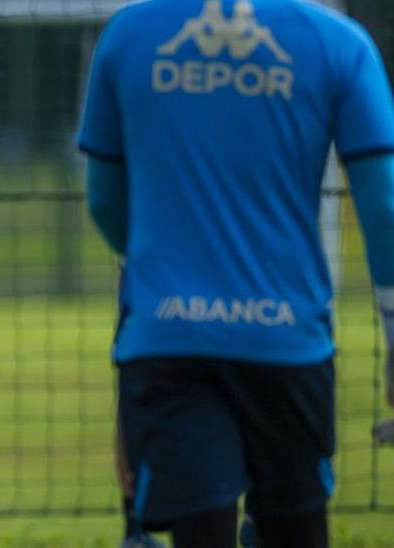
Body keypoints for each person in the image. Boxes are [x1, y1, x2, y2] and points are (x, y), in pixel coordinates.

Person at [79, 1, 394, 547]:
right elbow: (385, 206)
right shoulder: (338, 42)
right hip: (286, 340)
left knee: (200, 532)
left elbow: (105, 199)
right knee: (294, 528)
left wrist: (159, 265)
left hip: (168, 334)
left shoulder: (129, 33)